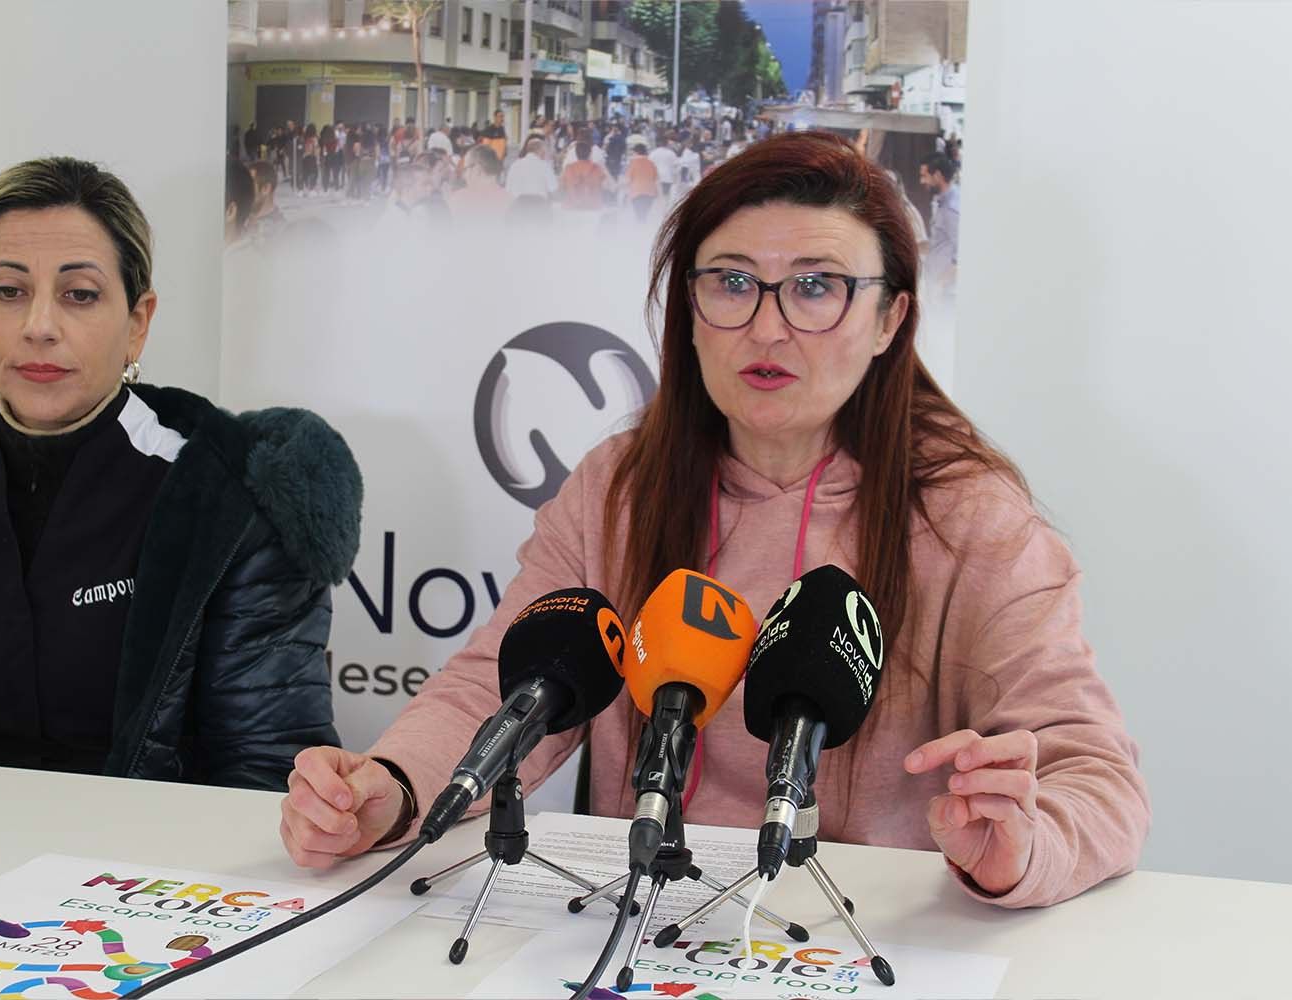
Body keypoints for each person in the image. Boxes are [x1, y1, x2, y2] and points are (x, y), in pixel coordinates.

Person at [278, 132, 1150, 909]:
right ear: (688, 310)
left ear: (890, 318)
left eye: (816, 287)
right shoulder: (617, 488)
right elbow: (500, 690)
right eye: (732, 283)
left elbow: (1092, 773)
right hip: (632, 930)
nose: (767, 328)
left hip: (853, 940)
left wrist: (1022, 845)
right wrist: (390, 789)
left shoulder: (972, 519)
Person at [0, 156, 361, 792]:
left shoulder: (232, 498)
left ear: (137, 323)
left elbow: (266, 776)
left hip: (150, 854)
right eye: (9, 291)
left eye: (80, 294)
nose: (39, 326)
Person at [919, 152, 960, 298]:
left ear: (937, 175)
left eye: (924, 176)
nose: (921, 181)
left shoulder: (952, 208)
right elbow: (938, 244)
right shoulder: (942, 203)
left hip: (945, 295)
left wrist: (939, 286)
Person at [559, 138, 610, 211]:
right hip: (593, 206)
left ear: (576, 154)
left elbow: (561, 186)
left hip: (572, 207)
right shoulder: (597, 168)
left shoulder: (568, 168)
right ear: (590, 154)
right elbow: (606, 185)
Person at [623, 140, 659, 222]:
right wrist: (660, 196)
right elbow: (656, 180)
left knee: (639, 216)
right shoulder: (651, 163)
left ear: (636, 152)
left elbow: (628, 180)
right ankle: (643, 226)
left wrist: (625, 192)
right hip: (650, 193)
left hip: (636, 193)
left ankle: (640, 227)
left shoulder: (633, 163)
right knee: (644, 215)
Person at [649, 135, 679, 200]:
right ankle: (665, 206)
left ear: (658, 143)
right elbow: (675, 166)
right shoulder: (671, 153)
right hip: (667, 178)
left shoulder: (653, 153)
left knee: (657, 198)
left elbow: (649, 166)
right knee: (666, 196)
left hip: (656, 178)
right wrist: (675, 178)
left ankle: (660, 206)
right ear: (667, 143)